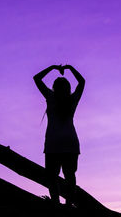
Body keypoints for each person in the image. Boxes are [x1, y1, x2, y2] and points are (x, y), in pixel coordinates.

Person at [33, 64, 85, 206]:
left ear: (54, 87)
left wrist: (52, 67)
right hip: (70, 143)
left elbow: (36, 78)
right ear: (68, 88)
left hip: (53, 143)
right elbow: (82, 82)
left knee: (52, 176)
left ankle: (56, 203)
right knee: (70, 176)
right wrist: (70, 68)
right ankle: (68, 205)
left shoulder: (51, 97)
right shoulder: (72, 100)